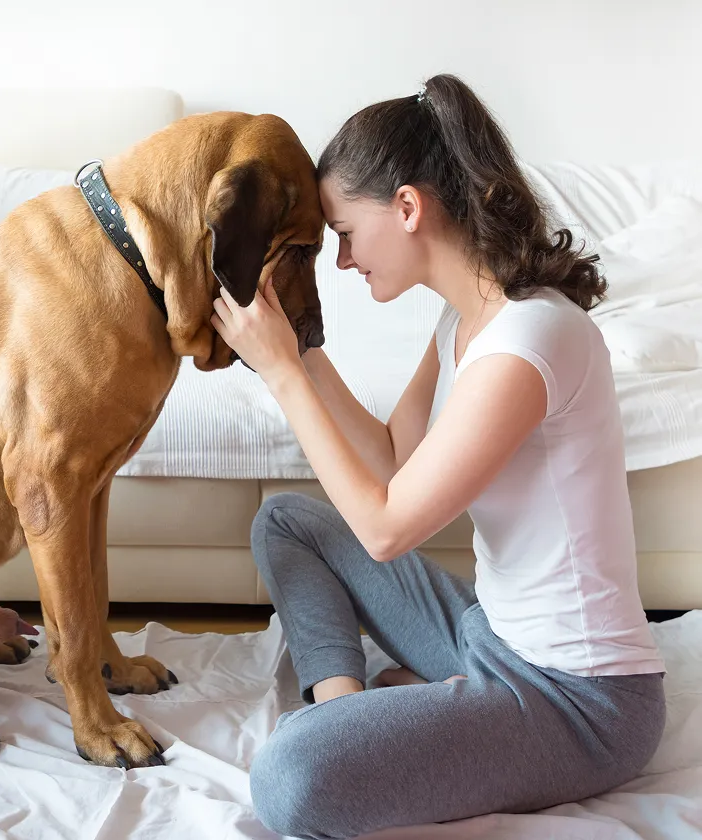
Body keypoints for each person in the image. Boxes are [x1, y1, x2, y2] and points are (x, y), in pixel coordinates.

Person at [210, 74, 666, 839]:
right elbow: (393, 460)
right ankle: (351, 709)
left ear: (409, 208)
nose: (344, 261)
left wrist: (284, 375)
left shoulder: (530, 342)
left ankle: (367, 723)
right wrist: (303, 347)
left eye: (347, 233)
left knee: (289, 777)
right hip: (488, 636)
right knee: (286, 523)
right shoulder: (463, 325)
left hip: (579, 701)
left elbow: (389, 528)